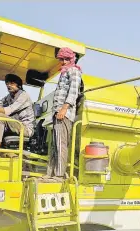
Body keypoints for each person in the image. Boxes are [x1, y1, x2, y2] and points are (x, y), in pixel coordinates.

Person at [46, 47, 82, 178]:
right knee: (54, 145)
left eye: (67, 59)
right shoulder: (64, 73)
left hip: (64, 113)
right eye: (62, 59)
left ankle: (59, 174)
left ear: (72, 59)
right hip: (57, 112)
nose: (64, 62)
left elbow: (73, 91)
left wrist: (64, 108)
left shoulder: (74, 71)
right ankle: (50, 173)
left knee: (61, 144)